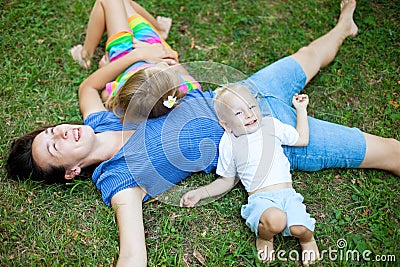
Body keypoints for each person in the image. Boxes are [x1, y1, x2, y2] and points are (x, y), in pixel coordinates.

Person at [6, 0, 400, 266]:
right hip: (267, 141)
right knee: (389, 152)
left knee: (309, 56)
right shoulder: (119, 180)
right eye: (56, 148)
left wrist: (137, 56)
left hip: (244, 89)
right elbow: (133, 255)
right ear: (72, 172)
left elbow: (86, 88)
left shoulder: (100, 119)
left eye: (54, 131)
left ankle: (342, 28)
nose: (63, 134)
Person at [180, 84, 319, 265]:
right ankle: (266, 237)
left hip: (289, 196)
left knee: (300, 228)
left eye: (252, 107)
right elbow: (226, 181)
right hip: (261, 199)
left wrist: (301, 110)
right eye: (238, 113)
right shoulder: (229, 142)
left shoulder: (271, 125)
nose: (249, 114)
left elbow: (302, 139)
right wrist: (201, 192)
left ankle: (308, 240)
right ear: (226, 125)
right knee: (275, 220)